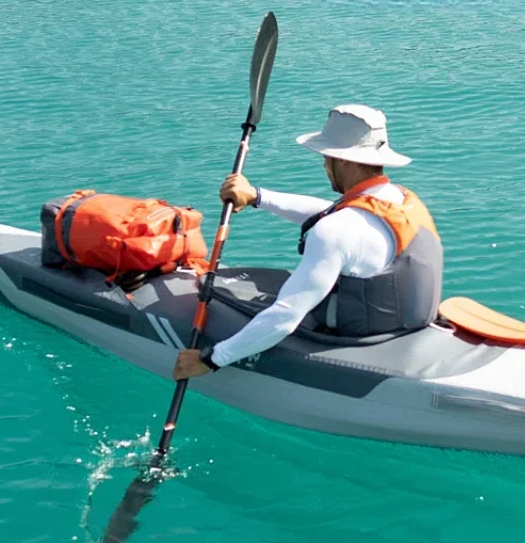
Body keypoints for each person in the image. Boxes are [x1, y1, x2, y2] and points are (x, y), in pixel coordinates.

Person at [173, 104, 442, 380]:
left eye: (327, 157)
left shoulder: (335, 230)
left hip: (362, 334)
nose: (324, 164)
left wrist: (211, 358)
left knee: (271, 300)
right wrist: (256, 196)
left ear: (345, 160)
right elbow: (332, 211)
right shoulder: (400, 199)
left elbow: (285, 317)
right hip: (410, 321)